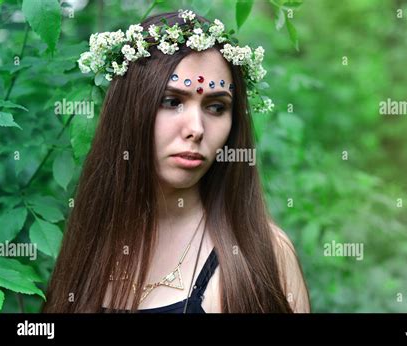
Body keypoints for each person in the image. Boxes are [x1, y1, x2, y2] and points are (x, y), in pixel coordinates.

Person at [42, 9, 310, 313]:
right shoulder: (90, 243)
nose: (195, 129)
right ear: (129, 108)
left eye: (216, 107)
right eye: (172, 102)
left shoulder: (262, 255)